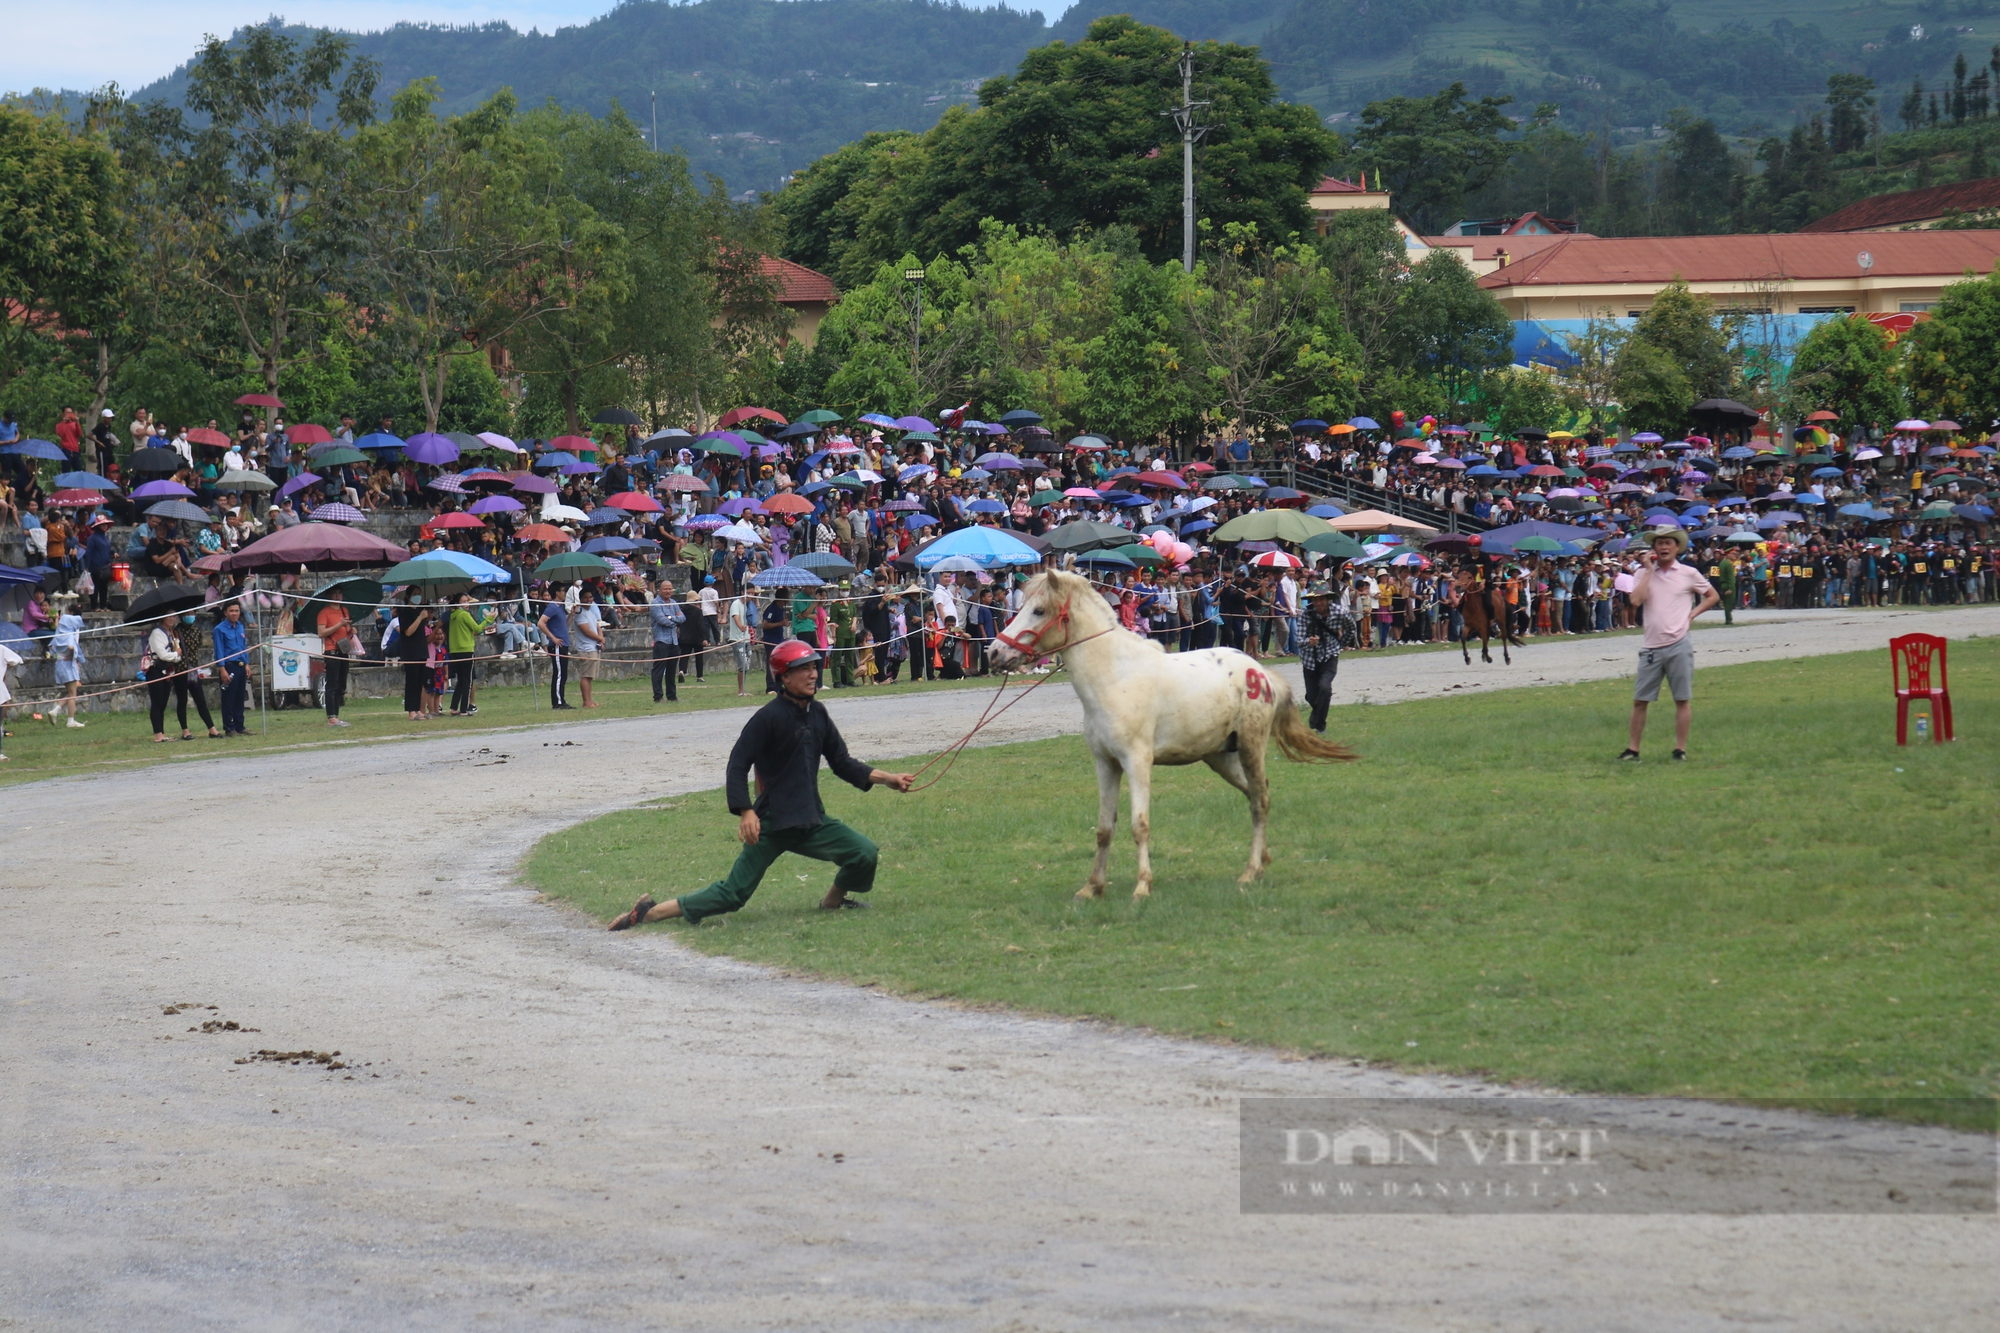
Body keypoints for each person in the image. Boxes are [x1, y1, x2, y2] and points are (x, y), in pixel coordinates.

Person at [608, 640, 917, 930]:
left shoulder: (818, 713)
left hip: (810, 818)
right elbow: (737, 763)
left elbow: (843, 762)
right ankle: (651, 912)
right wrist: (746, 811)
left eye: (814, 667)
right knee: (733, 894)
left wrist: (887, 778)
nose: (812, 674)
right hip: (771, 823)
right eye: (804, 670)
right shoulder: (767, 718)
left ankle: (831, 903)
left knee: (863, 853)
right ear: (784, 677)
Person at [1621, 525, 1720, 763]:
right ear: (1653, 548)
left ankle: (1680, 749)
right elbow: (1635, 601)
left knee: (1682, 698)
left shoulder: (1688, 573)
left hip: (1679, 642)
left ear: (1677, 547)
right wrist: (1647, 570)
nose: (1664, 547)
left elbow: (1712, 595)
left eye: (1669, 543)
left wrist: (1693, 614)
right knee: (1640, 700)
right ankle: (1633, 750)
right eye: (1659, 543)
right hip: (1651, 645)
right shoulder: (1643, 573)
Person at [1297, 587, 1353, 735]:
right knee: (1311, 696)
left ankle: (1320, 727)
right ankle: (1317, 712)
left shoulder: (1340, 612)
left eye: (1321, 599)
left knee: (1325, 688)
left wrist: (1341, 643)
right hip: (1310, 658)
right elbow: (1298, 640)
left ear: (1328, 599)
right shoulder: (1305, 614)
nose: (1319, 602)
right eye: (1315, 600)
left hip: (1330, 655)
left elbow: (1351, 628)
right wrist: (1309, 641)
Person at [447, 592, 494, 716]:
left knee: (461, 680)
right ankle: (463, 709)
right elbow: (477, 629)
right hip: (466, 650)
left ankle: (453, 707)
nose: (466, 604)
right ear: (458, 603)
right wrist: (488, 619)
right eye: (463, 601)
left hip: (455, 651)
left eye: (467, 601)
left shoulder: (453, 616)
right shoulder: (464, 615)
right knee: (467, 680)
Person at [316, 588, 354, 729]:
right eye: (335, 593)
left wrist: (350, 630)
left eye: (340, 593)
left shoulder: (344, 610)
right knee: (332, 683)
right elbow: (321, 632)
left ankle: (336, 715)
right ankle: (331, 716)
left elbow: (346, 629)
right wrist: (339, 625)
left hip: (343, 649)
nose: (338, 596)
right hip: (332, 650)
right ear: (329, 595)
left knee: (341, 684)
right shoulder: (324, 613)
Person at [213, 600, 252, 735]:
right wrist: (222, 669)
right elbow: (219, 650)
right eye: (231, 611)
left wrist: (246, 663)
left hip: (240, 665)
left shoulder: (240, 626)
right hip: (229, 666)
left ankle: (239, 725)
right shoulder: (219, 629)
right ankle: (229, 727)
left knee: (240, 697)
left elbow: (243, 646)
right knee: (229, 697)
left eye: (236, 611)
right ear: (225, 613)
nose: (234, 613)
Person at [649, 578, 686, 703]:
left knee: (671, 670)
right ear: (660, 590)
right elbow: (662, 620)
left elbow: (683, 618)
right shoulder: (655, 604)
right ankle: (658, 696)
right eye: (665, 589)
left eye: (670, 588)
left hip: (674, 641)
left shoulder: (674, 603)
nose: (668, 591)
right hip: (661, 641)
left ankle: (672, 695)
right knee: (659, 670)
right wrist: (675, 620)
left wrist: (670, 617)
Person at [50, 607, 87, 727]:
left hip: (60, 664)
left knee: (71, 692)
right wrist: (71, 655)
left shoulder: (58, 635)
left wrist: (59, 656)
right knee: (73, 695)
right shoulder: (69, 635)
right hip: (67, 665)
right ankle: (70, 720)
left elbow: (51, 650)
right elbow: (71, 647)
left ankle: (55, 710)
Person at [537, 591, 572, 708]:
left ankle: (561, 699)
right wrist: (552, 637)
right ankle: (557, 702)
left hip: (563, 644)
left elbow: (563, 625)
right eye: (563, 591)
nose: (565, 593)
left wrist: (572, 614)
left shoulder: (560, 607)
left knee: (563, 674)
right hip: (557, 645)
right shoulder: (552, 607)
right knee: (559, 674)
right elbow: (541, 623)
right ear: (557, 592)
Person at [572, 586, 605, 708]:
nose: (588, 600)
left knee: (590, 677)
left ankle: (589, 700)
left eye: (590, 597)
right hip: (586, 649)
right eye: (585, 598)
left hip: (594, 647)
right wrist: (600, 638)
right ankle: (586, 702)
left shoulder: (591, 611)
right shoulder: (579, 613)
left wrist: (601, 640)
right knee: (585, 676)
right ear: (580, 599)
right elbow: (586, 631)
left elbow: (597, 627)